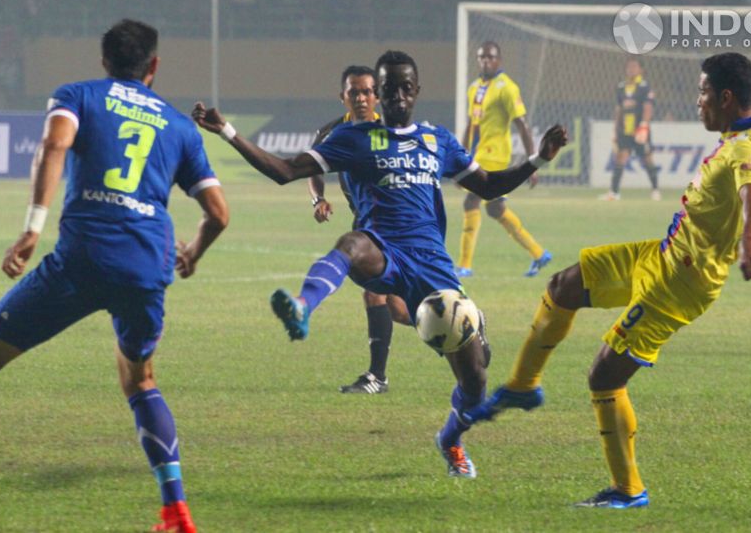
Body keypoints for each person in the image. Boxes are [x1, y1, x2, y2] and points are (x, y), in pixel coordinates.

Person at [192, 50, 567, 479]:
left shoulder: (437, 140)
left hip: (432, 266)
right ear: (380, 93)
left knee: (476, 381)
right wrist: (226, 131)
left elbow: (488, 186)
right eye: (389, 88)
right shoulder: (354, 138)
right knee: (351, 243)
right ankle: (302, 307)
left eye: (405, 87)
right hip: (383, 251)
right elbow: (283, 170)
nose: (397, 96)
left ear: (417, 91)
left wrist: (538, 159)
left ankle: (450, 439)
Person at [463, 53, 751, 508]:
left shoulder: (747, 150)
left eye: (702, 93)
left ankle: (628, 489)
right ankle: (523, 387)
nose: (698, 102)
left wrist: (749, 243)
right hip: (660, 257)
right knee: (563, 286)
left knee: (604, 376)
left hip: (679, 286)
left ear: (726, 97)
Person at [0, 19, 228, 533]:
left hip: (82, 258)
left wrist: (32, 230)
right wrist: (195, 252)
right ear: (153, 66)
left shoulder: (78, 95)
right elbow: (219, 213)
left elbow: (54, 145)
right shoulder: (179, 126)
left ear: (104, 61)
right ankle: (176, 511)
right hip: (147, 265)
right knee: (140, 379)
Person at [307, 65, 410, 394]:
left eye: (367, 92)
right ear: (343, 97)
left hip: (393, 224)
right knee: (398, 310)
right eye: (355, 92)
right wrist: (318, 199)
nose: (362, 98)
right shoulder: (332, 133)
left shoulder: (391, 131)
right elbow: (312, 168)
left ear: (377, 97)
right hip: (365, 223)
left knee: (374, 292)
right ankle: (463, 323)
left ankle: (377, 377)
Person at [455, 41, 552, 278]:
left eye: (490, 57)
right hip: (480, 153)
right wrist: (460, 154)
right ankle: (539, 254)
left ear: (499, 60)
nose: (485, 61)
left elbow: (522, 124)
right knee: (496, 209)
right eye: (481, 57)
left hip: (497, 155)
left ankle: (465, 265)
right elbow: (471, 125)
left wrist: (533, 162)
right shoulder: (474, 88)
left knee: (471, 201)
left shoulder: (507, 87)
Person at [602, 57, 662, 202]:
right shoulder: (621, 87)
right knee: (620, 158)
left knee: (647, 158)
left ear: (641, 70)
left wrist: (644, 125)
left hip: (639, 130)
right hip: (624, 130)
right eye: (629, 67)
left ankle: (655, 190)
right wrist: (615, 130)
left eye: (634, 67)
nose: (631, 69)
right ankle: (614, 192)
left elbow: (648, 107)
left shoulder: (644, 87)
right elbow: (618, 109)